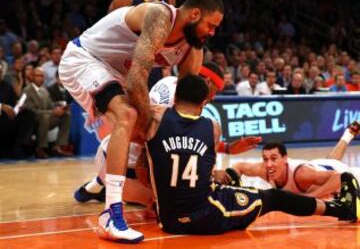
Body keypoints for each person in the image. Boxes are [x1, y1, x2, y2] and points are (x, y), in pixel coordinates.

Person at [59, 0, 224, 243]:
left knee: (142, 130)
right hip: (85, 59)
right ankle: (111, 215)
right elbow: (137, 80)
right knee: (128, 115)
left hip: (116, 73)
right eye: (210, 25)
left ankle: (103, 182)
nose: (213, 32)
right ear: (194, 14)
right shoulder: (159, 16)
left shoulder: (194, 46)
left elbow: (185, 106)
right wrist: (153, 129)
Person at [145, 75, 359, 235]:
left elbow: (149, 161)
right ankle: (340, 209)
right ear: (204, 103)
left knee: (233, 187)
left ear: (175, 97)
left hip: (168, 220)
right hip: (206, 215)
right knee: (274, 198)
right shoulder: (212, 127)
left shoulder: (153, 120)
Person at [74, 62, 261, 208]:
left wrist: (226, 148)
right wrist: (212, 173)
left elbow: (179, 140)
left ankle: (96, 185)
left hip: (111, 151)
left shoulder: (168, 82)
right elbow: (180, 147)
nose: (213, 98)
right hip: (127, 163)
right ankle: (111, 188)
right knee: (176, 200)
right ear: (208, 82)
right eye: (215, 92)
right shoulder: (182, 104)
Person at [230, 121, 360, 199]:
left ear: (285, 159)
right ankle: (348, 134)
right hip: (318, 165)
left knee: (336, 165)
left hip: (340, 172)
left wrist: (309, 198)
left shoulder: (301, 174)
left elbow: (338, 178)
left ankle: (348, 134)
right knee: (330, 160)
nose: (269, 164)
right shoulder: (264, 169)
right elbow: (238, 166)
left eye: (274, 159)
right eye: (265, 159)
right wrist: (233, 189)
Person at [108, 0, 176, 89]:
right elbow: (111, 33)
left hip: (154, 64)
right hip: (129, 62)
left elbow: (169, 33)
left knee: (154, 106)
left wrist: (166, 68)